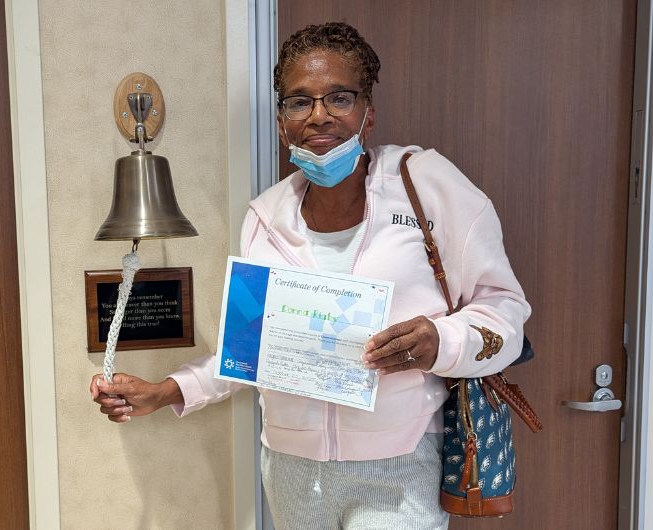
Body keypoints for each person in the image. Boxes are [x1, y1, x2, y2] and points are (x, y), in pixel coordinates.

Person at [90, 21, 530, 530]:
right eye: (299, 102)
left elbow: (507, 312)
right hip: (291, 469)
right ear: (282, 123)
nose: (318, 115)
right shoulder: (264, 217)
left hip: (400, 464)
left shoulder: (428, 187)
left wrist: (442, 340)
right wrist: (166, 390)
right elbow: (253, 348)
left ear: (368, 114)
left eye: (338, 98)